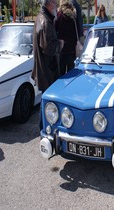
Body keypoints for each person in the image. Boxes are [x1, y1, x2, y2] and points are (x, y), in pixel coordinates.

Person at [32, 0, 64, 130]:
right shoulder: (45, 21)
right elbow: (49, 47)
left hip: (45, 70)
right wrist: (60, 43)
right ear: (50, 4)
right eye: (55, 3)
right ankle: (45, 131)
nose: (56, 6)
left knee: (46, 102)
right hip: (47, 71)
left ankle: (45, 130)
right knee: (47, 103)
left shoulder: (42, 18)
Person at [55, 0, 77, 75]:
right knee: (71, 72)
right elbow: (75, 31)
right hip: (71, 48)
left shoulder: (59, 15)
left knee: (61, 73)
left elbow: (55, 29)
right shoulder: (73, 16)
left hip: (62, 48)